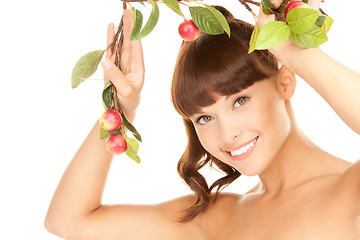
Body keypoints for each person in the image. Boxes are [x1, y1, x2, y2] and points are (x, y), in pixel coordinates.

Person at [45, 0, 360, 239]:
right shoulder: (218, 217)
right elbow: (68, 220)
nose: (228, 133)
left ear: (285, 81)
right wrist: (120, 111)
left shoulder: (351, 192)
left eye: (240, 100)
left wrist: (296, 53)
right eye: (204, 118)